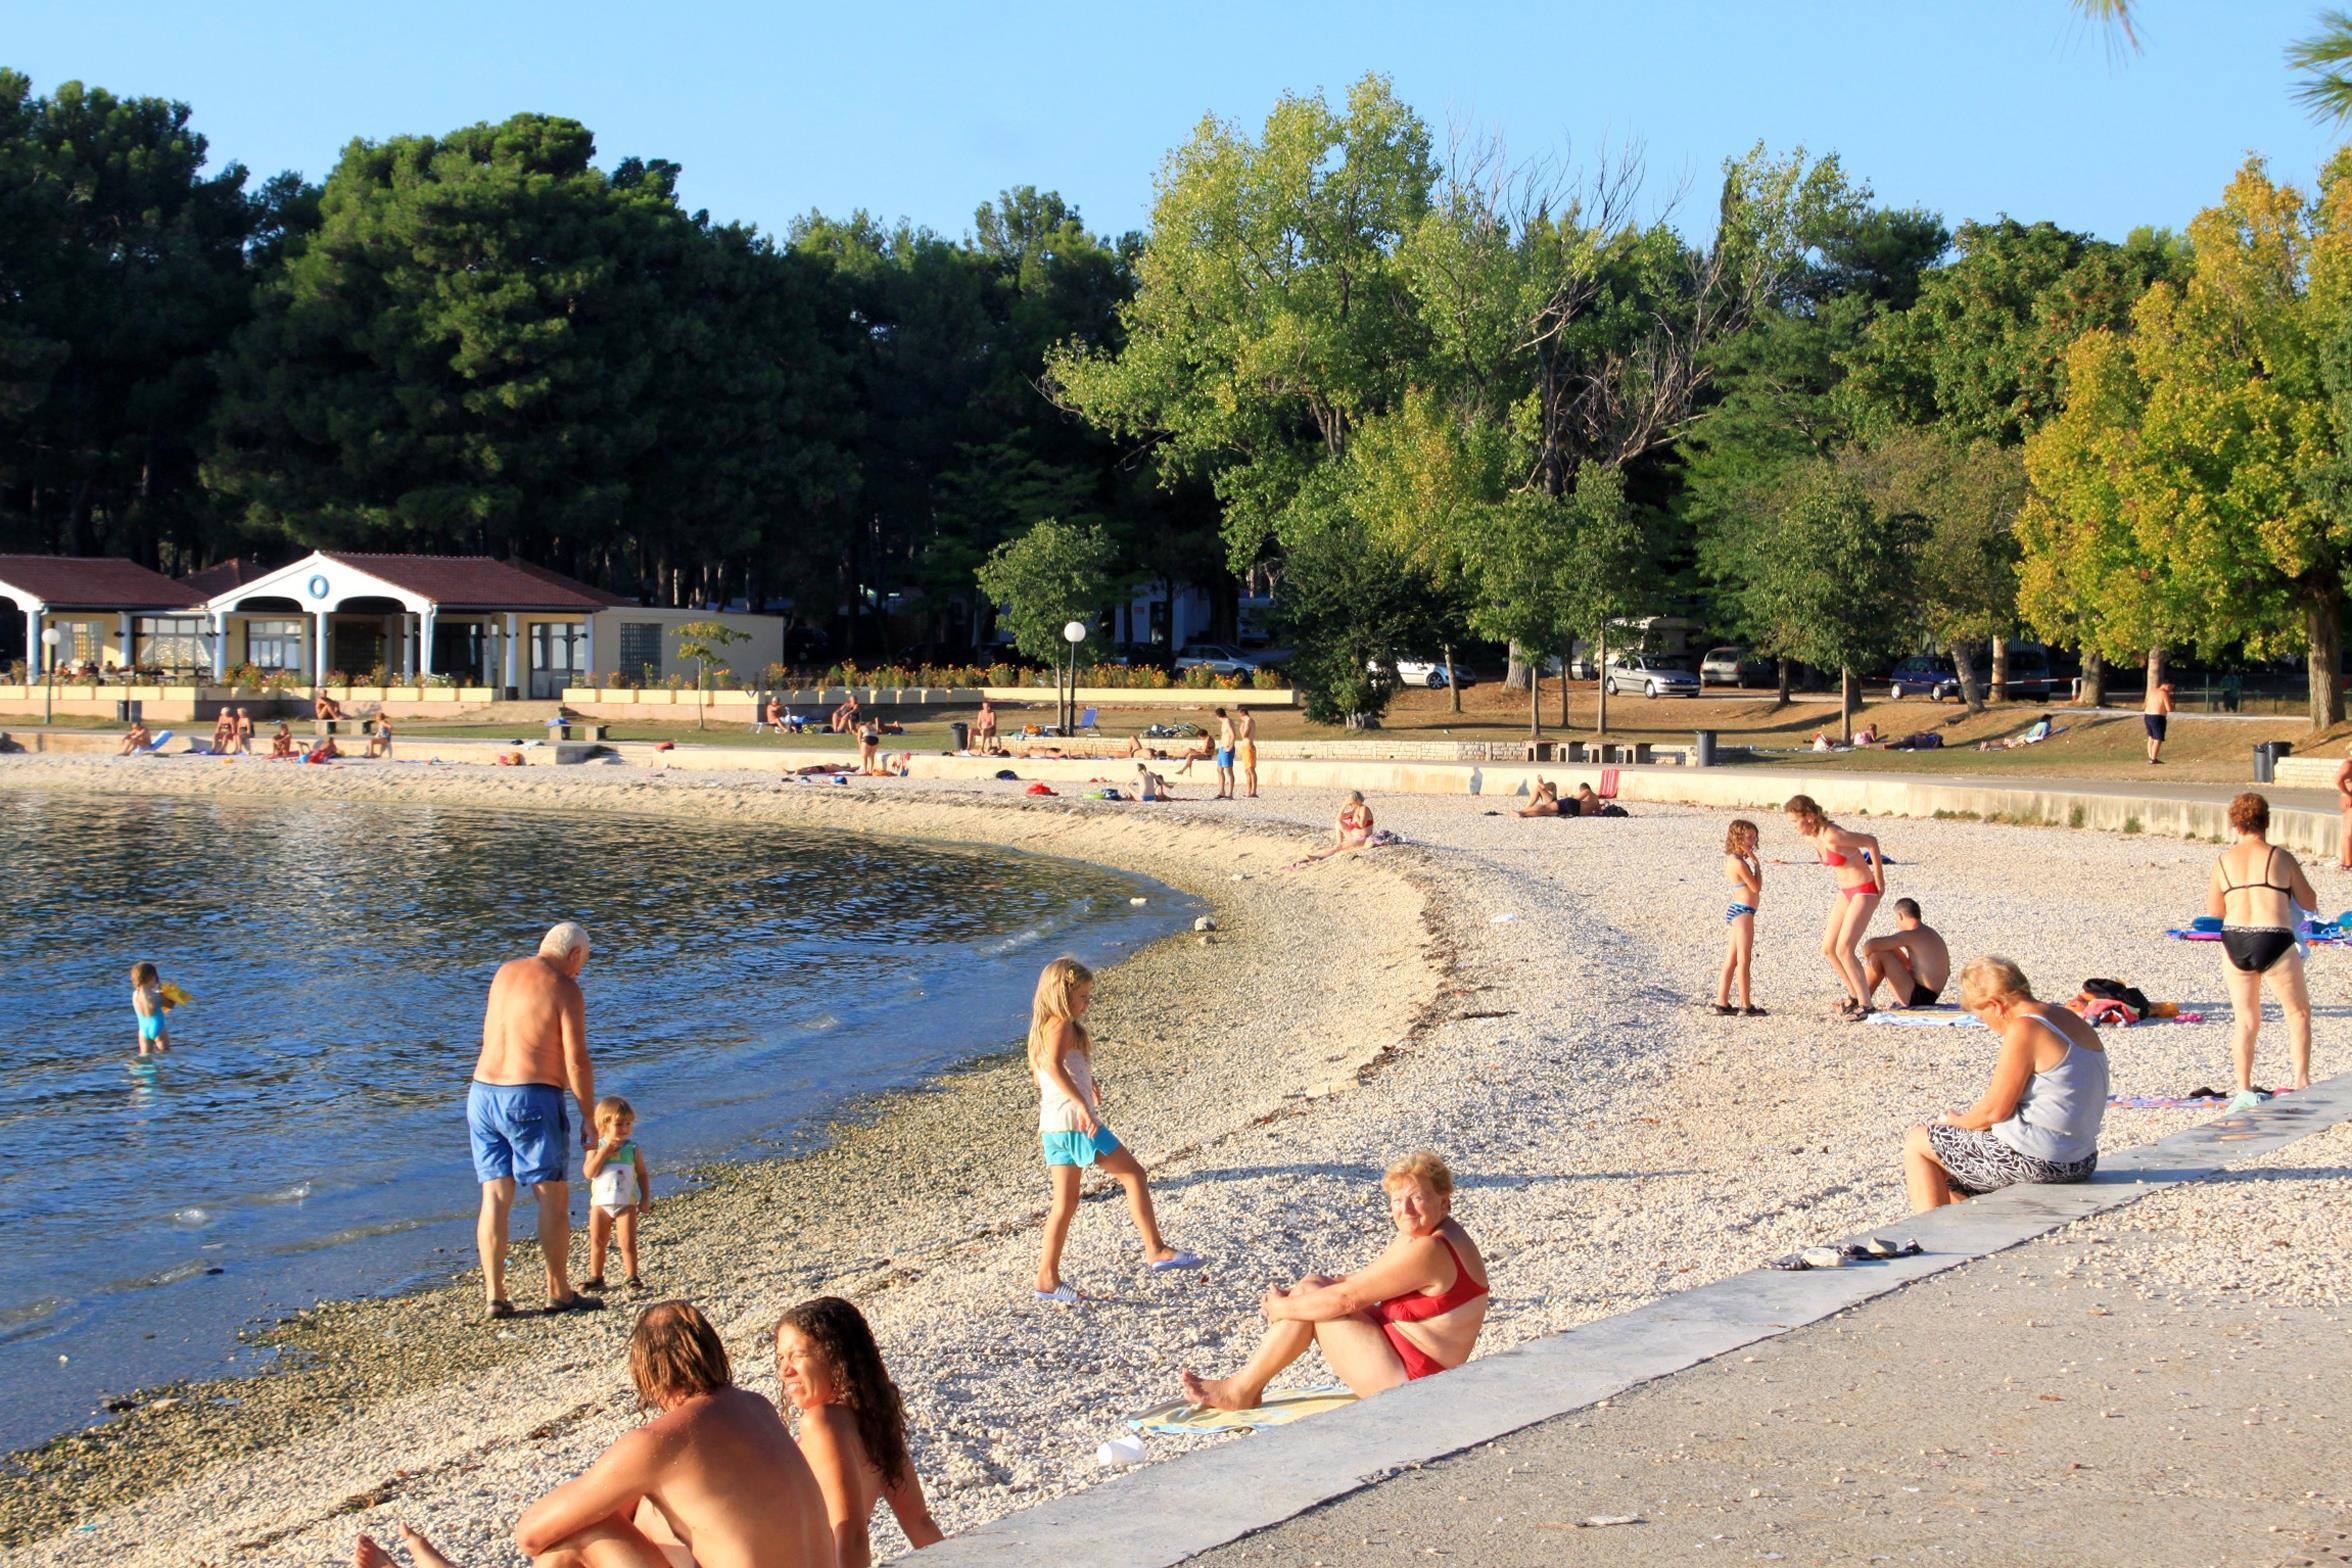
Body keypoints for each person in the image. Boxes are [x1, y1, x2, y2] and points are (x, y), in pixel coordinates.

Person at [1181, 1152, 1488, 1409]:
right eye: (1397, 1200)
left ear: (1444, 1202)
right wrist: (1297, 1295)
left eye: (1417, 1198)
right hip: (1407, 1359)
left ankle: (1240, 1391)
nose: (1404, 1209)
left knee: (1316, 1301)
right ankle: (1243, 1388)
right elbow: (1361, 1279)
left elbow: (1347, 1299)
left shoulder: (1431, 1249)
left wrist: (1282, 1309)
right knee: (1312, 1286)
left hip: (1416, 1385)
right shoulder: (1424, 1235)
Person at [1029, 957, 1202, 1301]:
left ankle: (1047, 1278)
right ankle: (1155, 1249)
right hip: (1076, 1123)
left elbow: (1047, 1075)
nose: (1087, 1003)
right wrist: (1081, 1103)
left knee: (1065, 1203)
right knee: (1133, 1175)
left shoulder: (1043, 1029)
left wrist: (1086, 1082)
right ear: (1063, 995)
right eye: (1082, 996)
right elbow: (1054, 1066)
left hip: (1053, 1126)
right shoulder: (1061, 1024)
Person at [1902, 957, 2107, 1212]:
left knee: (1918, 1141)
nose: (1986, 1023)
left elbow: (1995, 1111)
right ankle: (1967, 1228)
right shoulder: (2066, 1017)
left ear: (1996, 1005)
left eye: (1982, 1015)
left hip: (2041, 1160)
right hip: (2081, 1160)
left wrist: (1954, 1122)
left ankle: (1927, 1232)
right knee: (1953, 1160)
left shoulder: (2026, 1028)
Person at [470, 922, 601, 1319]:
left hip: (482, 1093)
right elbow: (576, 1060)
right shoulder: (564, 987)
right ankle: (558, 1291)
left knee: (495, 1196)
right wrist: (588, 1114)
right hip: (530, 1096)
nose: (579, 972)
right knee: (552, 1196)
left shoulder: (505, 972)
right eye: (581, 964)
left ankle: (495, 1296)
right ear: (574, 955)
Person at [775, 1297, 945, 1565]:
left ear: (836, 1357)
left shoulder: (822, 1422)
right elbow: (919, 1522)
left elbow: (849, 1532)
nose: (784, 1370)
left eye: (797, 1355)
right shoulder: (875, 1422)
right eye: (780, 1358)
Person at [2206, 791, 2317, 1103]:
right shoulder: (2280, 857)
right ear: (2266, 822)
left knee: (2246, 1019)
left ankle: (2243, 1087)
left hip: (2235, 939)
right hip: (2274, 936)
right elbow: (2309, 901)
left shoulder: (2222, 861)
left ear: (2235, 824)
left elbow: (2214, 911)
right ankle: (2301, 1080)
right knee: (2297, 1013)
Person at [1783, 794, 1885, 1019]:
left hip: (1864, 890)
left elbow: (1871, 842)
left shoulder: (1832, 834)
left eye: (1795, 821)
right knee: (1828, 949)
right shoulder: (1813, 836)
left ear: (1810, 817)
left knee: (1844, 948)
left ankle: (1866, 1005)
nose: (1793, 826)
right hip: (1846, 892)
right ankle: (1854, 995)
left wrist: (1880, 880)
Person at [582, 1096, 652, 1293]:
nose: (624, 1128)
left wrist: (645, 1197)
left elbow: (642, 1173)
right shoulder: (595, 1147)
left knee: (627, 1242)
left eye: (628, 1124)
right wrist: (603, 1152)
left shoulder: (632, 1148)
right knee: (597, 1241)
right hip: (600, 1204)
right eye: (619, 1124)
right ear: (604, 1124)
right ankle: (596, 1276)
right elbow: (589, 1173)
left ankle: (632, 1276)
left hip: (625, 1203)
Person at [1862, 898, 1952, 1010]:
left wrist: (1868, 959)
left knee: (1878, 955)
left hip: (1919, 996)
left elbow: (1870, 945)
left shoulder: (1912, 934)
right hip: (1929, 995)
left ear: (1900, 916)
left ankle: (1862, 1002)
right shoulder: (1928, 932)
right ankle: (1861, 1000)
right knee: (1886, 949)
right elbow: (1908, 964)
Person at [1716, 820, 1765, 1017]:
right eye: (1749, 838)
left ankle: (1722, 1002)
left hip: (1739, 909)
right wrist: (1757, 865)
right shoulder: (1739, 863)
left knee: (1732, 959)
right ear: (1738, 838)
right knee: (1744, 960)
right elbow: (1756, 887)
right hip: (1744, 912)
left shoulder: (1733, 859)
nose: (1753, 842)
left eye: (1754, 838)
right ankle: (1746, 1004)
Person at [129, 961, 171, 1057]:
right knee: (166, 1056)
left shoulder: (135, 995)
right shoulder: (156, 996)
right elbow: (170, 1005)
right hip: (159, 1029)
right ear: (151, 977)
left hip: (143, 1031)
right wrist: (172, 994)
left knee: (146, 1059)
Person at [2144, 678, 2174, 765]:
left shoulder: (2152, 691)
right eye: (2171, 688)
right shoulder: (2164, 693)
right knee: (2158, 738)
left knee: (2151, 737)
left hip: (2147, 715)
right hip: (2157, 717)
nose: (2171, 690)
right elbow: (2169, 708)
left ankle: (2151, 757)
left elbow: (2145, 703)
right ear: (2167, 685)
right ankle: (2153, 759)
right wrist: (2172, 706)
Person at [1235, 707, 1259, 798]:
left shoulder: (1248, 722)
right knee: (1247, 770)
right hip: (1246, 747)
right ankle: (1249, 791)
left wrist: (1241, 729)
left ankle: (1253, 791)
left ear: (1242, 714)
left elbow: (1244, 735)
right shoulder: (1250, 721)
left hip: (1248, 746)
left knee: (1250, 769)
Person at [2335, 742, 2352, 871]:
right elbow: (2338, 780)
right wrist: (2348, 794)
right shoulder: (2348, 765)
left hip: (2348, 799)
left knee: (2347, 831)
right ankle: (2347, 863)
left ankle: (2346, 861)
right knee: (2349, 832)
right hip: (2349, 800)